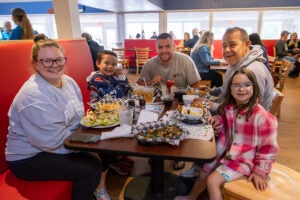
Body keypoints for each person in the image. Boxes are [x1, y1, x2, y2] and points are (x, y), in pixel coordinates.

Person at [5, 36, 105, 200]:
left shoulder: (68, 82)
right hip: (28, 158)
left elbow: (78, 117)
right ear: (36, 64)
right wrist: (89, 145)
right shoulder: (33, 97)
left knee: (101, 154)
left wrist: (94, 140)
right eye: (47, 61)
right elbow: (51, 143)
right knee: (91, 168)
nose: (55, 65)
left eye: (59, 59)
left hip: (56, 144)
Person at [175, 68, 279, 200]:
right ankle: (191, 197)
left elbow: (268, 149)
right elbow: (225, 121)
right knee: (203, 174)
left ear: (254, 88)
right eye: (236, 85)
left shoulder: (263, 117)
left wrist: (260, 172)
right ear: (230, 89)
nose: (241, 89)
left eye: (247, 85)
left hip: (244, 161)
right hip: (225, 153)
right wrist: (218, 121)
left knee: (212, 182)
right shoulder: (230, 108)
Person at [137, 32, 203, 170]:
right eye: (160, 47)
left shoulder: (185, 60)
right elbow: (139, 85)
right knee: (150, 122)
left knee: (180, 125)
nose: (164, 50)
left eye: (168, 46)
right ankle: (154, 154)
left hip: (180, 102)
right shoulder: (150, 64)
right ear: (156, 48)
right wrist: (151, 81)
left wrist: (190, 100)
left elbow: (196, 83)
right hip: (157, 103)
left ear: (173, 46)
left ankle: (178, 155)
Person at [86, 50, 134, 178]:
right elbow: (118, 94)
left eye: (114, 64)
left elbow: (129, 90)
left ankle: (118, 156)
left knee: (128, 124)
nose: (110, 67)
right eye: (106, 63)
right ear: (97, 63)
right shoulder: (97, 79)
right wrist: (122, 78)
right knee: (121, 131)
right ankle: (113, 161)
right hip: (100, 119)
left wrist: (121, 80)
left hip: (113, 114)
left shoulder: (110, 76)